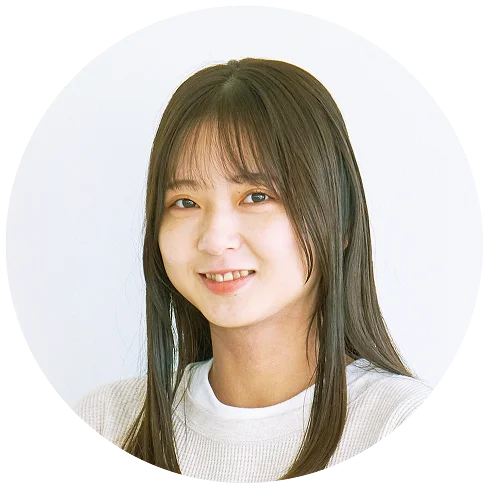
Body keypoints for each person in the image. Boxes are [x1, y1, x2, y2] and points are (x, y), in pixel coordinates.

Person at [73, 58, 434, 484]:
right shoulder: (108, 421)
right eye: (185, 203)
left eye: (257, 196)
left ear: (340, 222)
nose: (214, 239)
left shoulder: (396, 420)